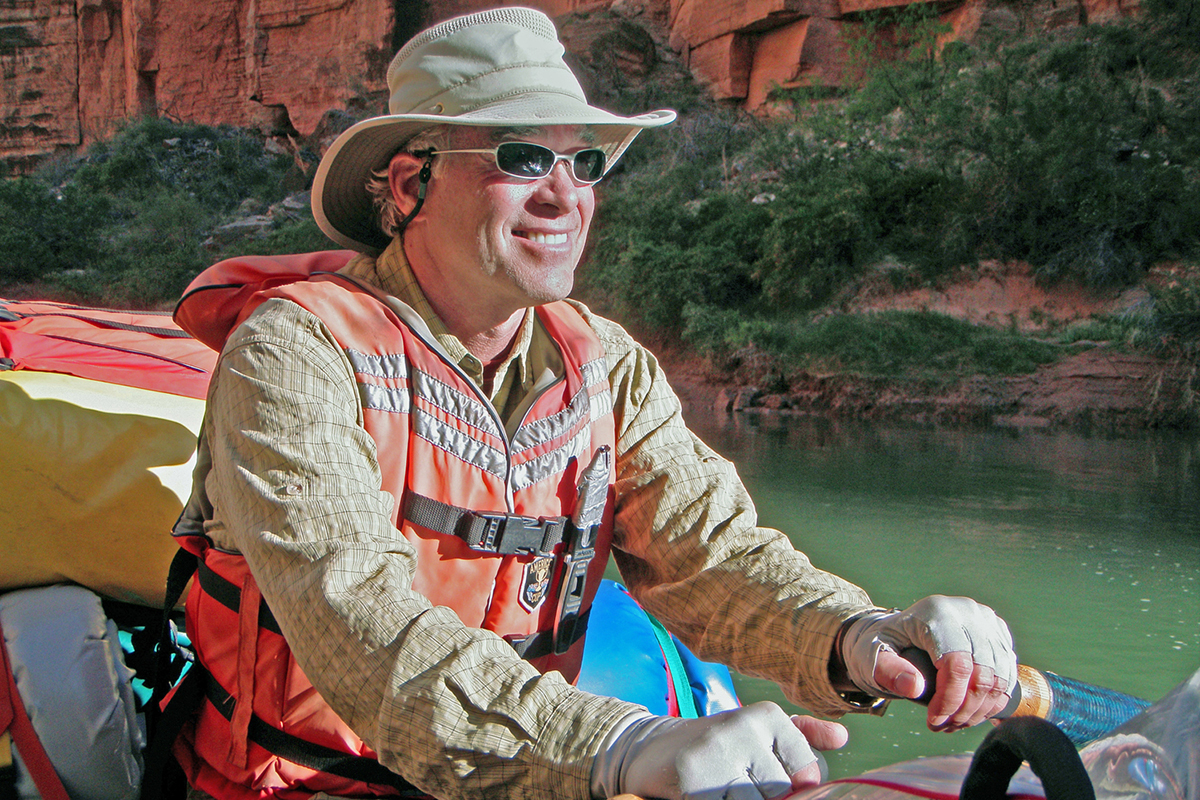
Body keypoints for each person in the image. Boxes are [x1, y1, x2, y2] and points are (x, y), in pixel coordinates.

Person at [167, 7, 1018, 800]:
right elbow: (360, 625)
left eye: (586, 161)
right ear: (407, 184)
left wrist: (859, 639)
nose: (564, 193)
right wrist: (621, 748)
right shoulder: (291, 355)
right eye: (523, 158)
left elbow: (713, 556)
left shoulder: (607, 365)